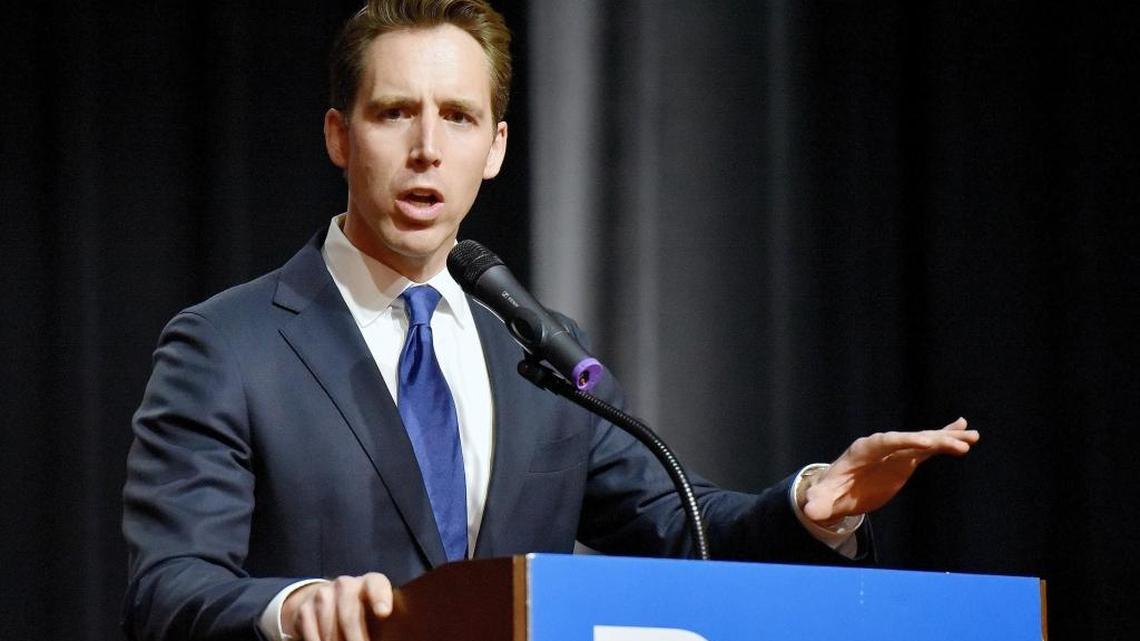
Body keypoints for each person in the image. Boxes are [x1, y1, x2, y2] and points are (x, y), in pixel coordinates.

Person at [121, 1, 980, 640]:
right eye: (395, 113)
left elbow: (680, 527)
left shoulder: (531, 344)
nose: (427, 148)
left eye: (457, 117)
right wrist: (290, 606)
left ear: (493, 148)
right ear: (341, 137)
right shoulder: (227, 346)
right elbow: (168, 586)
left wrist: (813, 504)